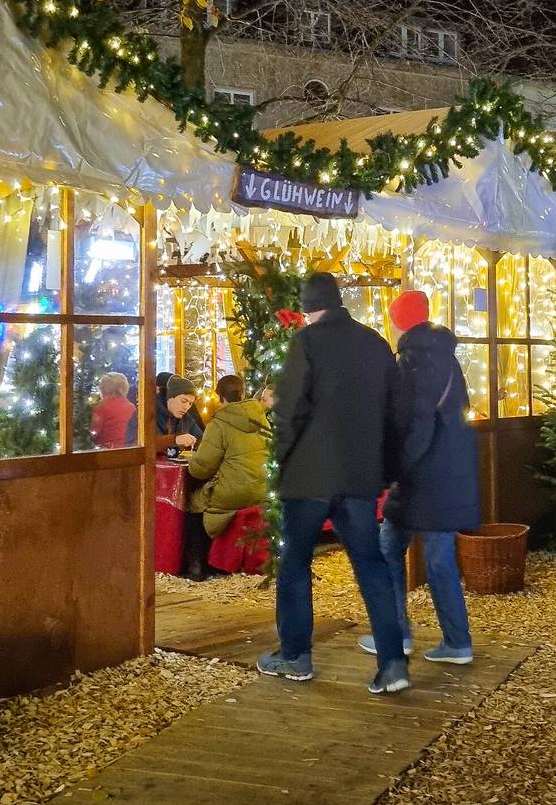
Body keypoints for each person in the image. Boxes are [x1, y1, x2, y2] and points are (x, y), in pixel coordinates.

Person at [256, 272, 409, 694]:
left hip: (309, 474)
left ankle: (295, 656)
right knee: (371, 565)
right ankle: (393, 663)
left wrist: (284, 459)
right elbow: (395, 413)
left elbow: (290, 410)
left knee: (296, 563)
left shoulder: (306, 343)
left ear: (307, 309)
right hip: (359, 476)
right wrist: (388, 470)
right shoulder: (375, 343)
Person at [358, 290, 479, 666]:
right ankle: (456, 640)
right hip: (450, 472)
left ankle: (397, 635)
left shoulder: (412, 363)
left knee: (388, 550)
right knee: (438, 554)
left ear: (398, 322)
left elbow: (415, 427)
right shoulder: (447, 358)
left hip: (420, 478)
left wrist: (394, 470)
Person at [183, 374, 272, 581]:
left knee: (194, 502)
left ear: (220, 398)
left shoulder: (219, 424)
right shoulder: (260, 417)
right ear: (243, 393)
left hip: (234, 493)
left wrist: (191, 461)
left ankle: (197, 565)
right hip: (262, 488)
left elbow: (202, 468)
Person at [155, 375, 203, 454]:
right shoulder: (148, 413)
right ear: (170, 397)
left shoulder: (186, 419)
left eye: (190, 404)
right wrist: (174, 440)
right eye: (183, 401)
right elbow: (144, 445)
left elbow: (202, 439)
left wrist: (197, 442)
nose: (186, 407)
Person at [91, 371, 136, 449]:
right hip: (128, 448)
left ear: (102, 389)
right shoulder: (131, 406)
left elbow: (94, 431)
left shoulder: (101, 407)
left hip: (105, 450)